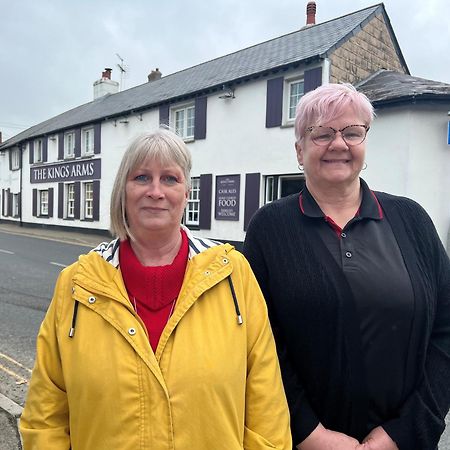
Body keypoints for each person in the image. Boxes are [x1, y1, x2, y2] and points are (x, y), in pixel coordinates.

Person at [20, 128, 292, 450]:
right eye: (141, 177)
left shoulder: (234, 275)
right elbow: (45, 415)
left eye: (170, 179)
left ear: (186, 192)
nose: (155, 191)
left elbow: (267, 409)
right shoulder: (76, 284)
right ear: (123, 190)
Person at [243, 83, 450, 450]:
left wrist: (404, 432)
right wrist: (309, 432)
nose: (338, 144)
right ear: (299, 149)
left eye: (352, 132)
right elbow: (259, 343)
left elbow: (446, 332)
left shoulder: (411, 220)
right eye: (321, 133)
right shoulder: (269, 228)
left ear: (364, 143)